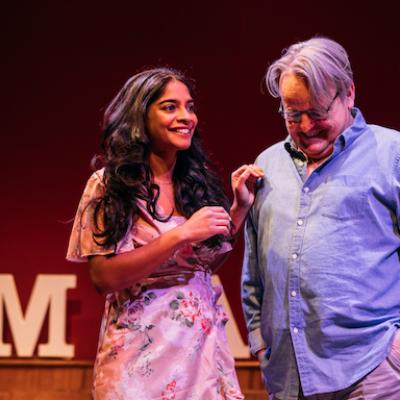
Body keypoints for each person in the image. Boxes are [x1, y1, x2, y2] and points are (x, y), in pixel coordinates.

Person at [67, 67, 263, 399]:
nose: (186, 117)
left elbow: (200, 266)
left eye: (190, 107)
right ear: (140, 116)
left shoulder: (193, 181)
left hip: (201, 355)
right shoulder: (110, 184)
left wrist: (239, 210)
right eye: (170, 107)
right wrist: (180, 234)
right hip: (141, 360)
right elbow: (104, 277)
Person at [241, 37, 400, 399]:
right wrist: (259, 340)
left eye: (317, 113)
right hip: (288, 374)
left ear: (349, 94)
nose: (306, 125)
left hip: (372, 370)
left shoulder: (391, 155)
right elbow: (255, 266)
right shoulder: (267, 165)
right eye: (292, 115)